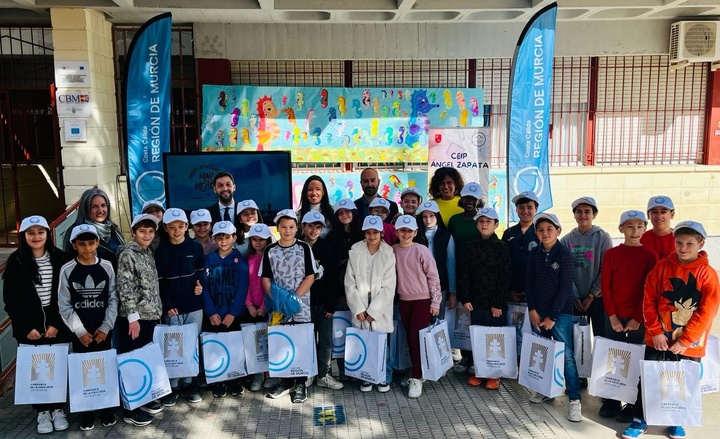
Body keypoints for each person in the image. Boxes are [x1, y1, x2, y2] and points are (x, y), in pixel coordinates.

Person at [622, 221, 719, 439]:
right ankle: (640, 418)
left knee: (681, 381)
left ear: (701, 244)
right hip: (658, 338)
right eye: (679, 243)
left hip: (689, 343)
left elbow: (707, 311)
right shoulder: (662, 267)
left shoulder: (707, 274)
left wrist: (686, 340)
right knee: (649, 378)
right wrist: (655, 331)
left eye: (689, 244)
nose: (683, 248)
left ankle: (677, 420)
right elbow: (649, 300)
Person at [2, 216, 70, 434]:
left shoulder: (60, 257)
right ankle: (42, 412)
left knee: (57, 368)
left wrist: (57, 324)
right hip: (29, 326)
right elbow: (10, 300)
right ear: (24, 236)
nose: (36, 236)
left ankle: (58, 409)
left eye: (40, 232)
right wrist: (24, 328)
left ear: (47, 234)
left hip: (56, 324)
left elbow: (66, 295)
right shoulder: (16, 261)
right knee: (37, 371)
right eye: (30, 233)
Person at [58, 224, 119, 431]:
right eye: (81, 244)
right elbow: (64, 305)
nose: (87, 248)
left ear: (98, 243)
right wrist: (80, 331)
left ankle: (107, 407)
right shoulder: (67, 269)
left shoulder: (107, 266)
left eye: (91, 243)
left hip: (103, 329)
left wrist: (105, 327)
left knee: (105, 368)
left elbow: (113, 298)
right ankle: (86, 410)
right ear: (74, 245)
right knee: (82, 369)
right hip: (80, 332)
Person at [599, 210, 658, 421]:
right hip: (614, 316)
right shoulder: (612, 254)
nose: (635, 231)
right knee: (613, 359)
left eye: (639, 226)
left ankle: (631, 403)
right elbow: (606, 286)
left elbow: (648, 290)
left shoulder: (650, 256)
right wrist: (612, 316)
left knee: (634, 361)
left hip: (637, 319)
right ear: (621, 229)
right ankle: (613, 399)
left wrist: (636, 318)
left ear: (645, 228)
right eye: (630, 226)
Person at [525, 213, 582, 423]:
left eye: (549, 229)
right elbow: (529, 284)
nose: (545, 233)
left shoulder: (565, 254)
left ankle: (575, 399)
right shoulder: (534, 254)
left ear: (558, 230)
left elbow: (565, 289)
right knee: (544, 352)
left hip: (560, 314)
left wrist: (552, 317)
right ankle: (544, 389)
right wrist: (532, 309)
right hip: (538, 313)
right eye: (540, 230)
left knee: (566, 356)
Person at [260, 209, 317, 403]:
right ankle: (285, 381)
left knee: (300, 343)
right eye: (283, 227)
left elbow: (311, 275)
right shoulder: (270, 250)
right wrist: (278, 300)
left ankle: (300, 383)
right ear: (277, 229)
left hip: (301, 305)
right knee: (281, 342)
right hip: (279, 307)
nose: (287, 230)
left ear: (297, 228)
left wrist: (294, 298)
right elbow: (266, 278)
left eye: (291, 227)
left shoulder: (304, 248)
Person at [154, 208, 207, 406]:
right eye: (172, 227)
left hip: (193, 305)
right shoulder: (161, 251)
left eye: (181, 226)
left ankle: (188, 383)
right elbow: (159, 282)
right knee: (173, 345)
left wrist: (200, 285)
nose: (177, 231)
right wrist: (167, 305)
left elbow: (201, 272)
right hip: (172, 307)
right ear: (166, 228)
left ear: (187, 227)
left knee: (191, 343)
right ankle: (173, 384)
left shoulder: (195, 247)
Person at [116, 214, 163, 427]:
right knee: (131, 362)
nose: (147, 235)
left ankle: (142, 398)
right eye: (142, 231)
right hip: (134, 319)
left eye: (151, 231)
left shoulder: (147, 252)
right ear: (133, 232)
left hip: (150, 315)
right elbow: (125, 287)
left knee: (144, 359)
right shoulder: (128, 254)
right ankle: (129, 409)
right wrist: (132, 317)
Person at [457, 207, 510, 390]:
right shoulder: (470, 245)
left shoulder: (502, 247)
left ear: (496, 224)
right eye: (481, 221)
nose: (484, 224)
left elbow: (504, 277)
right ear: (477, 224)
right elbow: (464, 273)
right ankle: (479, 372)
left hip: (494, 305)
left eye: (489, 221)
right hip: (476, 302)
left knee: (494, 339)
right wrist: (465, 297)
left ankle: (495, 375)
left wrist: (498, 303)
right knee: (479, 338)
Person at [344, 215, 396, 393]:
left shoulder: (388, 253)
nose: (372, 235)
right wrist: (358, 308)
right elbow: (349, 282)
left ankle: (383, 376)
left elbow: (389, 286)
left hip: (378, 303)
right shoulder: (355, 250)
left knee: (381, 342)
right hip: (360, 299)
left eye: (375, 232)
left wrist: (375, 310)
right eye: (368, 232)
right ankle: (365, 376)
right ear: (364, 233)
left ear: (382, 233)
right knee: (363, 342)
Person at [393, 215, 441, 399]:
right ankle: (417, 370)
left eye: (409, 230)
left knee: (416, 338)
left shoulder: (421, 250)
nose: (406, 234)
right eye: (402, 230)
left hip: (422, 300)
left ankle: (416, 376)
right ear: (397, 232)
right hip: (404, 300)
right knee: (409, 338)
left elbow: (433, 276)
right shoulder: (392, 251)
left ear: (415, 232)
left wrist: (435, 301)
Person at [203, 221, 249, 398]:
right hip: (214, 313)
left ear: (234, 238)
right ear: (214, 238)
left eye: (227, 237)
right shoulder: (209, 259)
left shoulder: (240, 261)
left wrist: (233, 312)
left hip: (233, 314)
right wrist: (211, 311)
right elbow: (204, 288)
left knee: (234, 347)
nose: (223, 241)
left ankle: (234, 380)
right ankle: (218, 380)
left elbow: (242, 288)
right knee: (216, 348)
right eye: (219, 237)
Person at [300, 212, 343, 390]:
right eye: (310, 226)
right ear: (302, 227)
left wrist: (331, 304)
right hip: (303, 304)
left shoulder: (328, 248)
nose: (314, 230)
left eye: (318, 227)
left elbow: (333, 277)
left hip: (324, 303)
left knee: (325, 341)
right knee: (306, 340)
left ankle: (323, 374)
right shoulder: (297, 247)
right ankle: (307, 373)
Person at [560, 197, 613, 341]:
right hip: (574, 300)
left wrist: (592, 295)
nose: (583, 215)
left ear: (594, 214)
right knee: (577, 341)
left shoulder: (603, 237)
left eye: (587, 212)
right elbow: (565, 272)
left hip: (597, 298)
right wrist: (575, 296)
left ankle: (598, 365)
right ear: (574, 215)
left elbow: (606, 269)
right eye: (579, 212)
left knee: (601, 339)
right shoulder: (566, 240)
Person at [326, 198, 365, 381]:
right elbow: (331, 269)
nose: (344, 215)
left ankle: (358, 367)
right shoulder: (332, 237)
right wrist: (339, 294)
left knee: (357, 329)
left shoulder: (363, 235)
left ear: (354, 213)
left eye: (348, 211)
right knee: (340, 331)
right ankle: (342, 370)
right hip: (339, 291)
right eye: (340, 213)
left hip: (360, 291)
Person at [415, 200, 456, 321]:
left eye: (432, 215)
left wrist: (452, 292)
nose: (428, 220)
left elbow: (451, 264)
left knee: (437, 322)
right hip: (419, 287)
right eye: (424, 216)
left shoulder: (446, 236)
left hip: (441, 286)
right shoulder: (416, 236)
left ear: (437, 216)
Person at [64, 188, 125, 266]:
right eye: (94, 207)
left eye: (103, 205)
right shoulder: (75, 232)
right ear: (85, 209)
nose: (100, 210)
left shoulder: (114, 229)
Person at [244, 223, 272, 391]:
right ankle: (257, 374)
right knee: (254, 341)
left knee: (269, 341)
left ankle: (269, 374)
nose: (258, 242)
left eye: (261, 239)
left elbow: (271, 285)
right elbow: (246, 285)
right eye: (254, 239)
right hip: (252, 308)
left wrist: (263, 306)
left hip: (267, 307)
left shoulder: (271, 258)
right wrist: (249, 305)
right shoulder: (249, 260)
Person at [502, 191, 540, 304]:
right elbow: (503, 264)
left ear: (536, 209)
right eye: (521, 207)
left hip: (536, 293)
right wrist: (509, 290)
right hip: (512, 293)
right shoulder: (508, 233)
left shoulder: (542, 232)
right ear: (516, 209)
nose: (525, 211)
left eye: (529, 207)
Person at [640, 195, 676, 261]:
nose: (659, 216)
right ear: (648, 215)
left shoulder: (681, 239)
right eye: (654, 212)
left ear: (672, 214)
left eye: (663, 212)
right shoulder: (640, 239)